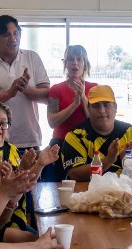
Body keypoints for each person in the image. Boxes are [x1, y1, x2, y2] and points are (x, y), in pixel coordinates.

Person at [0, 101, 59, 234]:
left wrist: (40, 164)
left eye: (4, 123)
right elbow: (4, 191)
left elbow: (24, 184)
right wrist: (23, 169)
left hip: (18, 219)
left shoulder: (12, 149)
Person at [0, 15, 50, 151]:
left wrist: (26, 89)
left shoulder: (32, 57)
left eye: (16, 33)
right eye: (7, 35)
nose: (13, 39)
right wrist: (8, 94)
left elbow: (48, 97)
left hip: (28, 141)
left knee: (30, 173)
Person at [61, 85, 132, 181]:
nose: (102, 110)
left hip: (123, 193)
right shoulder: (75, 136)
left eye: (106, 105)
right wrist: (108, 160)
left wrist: (127, 161)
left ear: (115, 107)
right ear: (88, 109)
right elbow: (75, 174)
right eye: (96, 106)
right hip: (86, 193)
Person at [43, 45, 97, 180]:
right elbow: (52, 121)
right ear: (65, 64)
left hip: (86, 145)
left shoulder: (94, 88)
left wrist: (83, 97)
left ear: (85, 64)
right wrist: (74, 104)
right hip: (60, 144)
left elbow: (95, 121)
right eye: (70, 60)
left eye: (79, 59)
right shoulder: (56, 89)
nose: (75, 63)